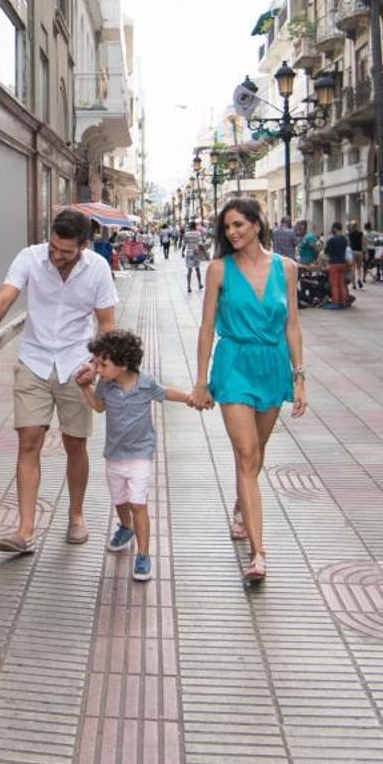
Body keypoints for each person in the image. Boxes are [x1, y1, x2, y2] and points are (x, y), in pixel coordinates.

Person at [0, 208, 119, 555]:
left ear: (83, 245)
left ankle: (76, 515)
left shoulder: (98, 270)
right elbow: (4, 298)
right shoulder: (30, 258)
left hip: (77, 364)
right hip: (33, 360)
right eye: (53, 247)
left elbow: (107, 324)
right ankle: (25, 529)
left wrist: (97, 365)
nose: (57, 256)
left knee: (75, 444)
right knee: (28, 442)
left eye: (66, 251)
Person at [190, 197, 308, 587]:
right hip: (234, 363)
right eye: (227, 228)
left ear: (258, 225)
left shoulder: (287, 268)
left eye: (239, 225)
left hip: (272, 366)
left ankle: (243, 506)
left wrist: (300, 376)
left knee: (258, 449)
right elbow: (207, 327)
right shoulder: (219, 270)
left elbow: (292, 324)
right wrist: (201, 380)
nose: (233, 233)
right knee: (246, 454)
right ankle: (259, 554)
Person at [76, 328, 190, 582]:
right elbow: (98, 407)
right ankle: (125, 527)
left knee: (138, 504)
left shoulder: (145, 382)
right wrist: (85, 388)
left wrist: (191, 398)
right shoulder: (105, 385)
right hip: (114, 455)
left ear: (123, 363)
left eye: (103, 364)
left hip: (140, 455)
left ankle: (144, 554)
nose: (99, 369)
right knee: (120, 501)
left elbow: (166, 392)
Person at [323, 222, 352, 309]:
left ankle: (335, 303)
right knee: (342, 284)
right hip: (343, 263)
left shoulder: (331, 240)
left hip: (334, 263)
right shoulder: (344, 239)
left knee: (334, 285)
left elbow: (326, 251)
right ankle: (343, 302)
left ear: (334, 228)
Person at [182, 224, 208, 293]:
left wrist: (182, 252)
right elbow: (200, 244)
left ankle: (188, 287)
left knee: (189, 270)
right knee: (197, 269)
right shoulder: (198, 234)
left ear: (190, 227)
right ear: (195, 227)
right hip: (196, 253)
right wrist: (204, 252)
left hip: (189, 253)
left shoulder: (186, 234)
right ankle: (199, 284)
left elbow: (184, 244)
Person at [347, 220, 367, 289]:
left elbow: (348, 244)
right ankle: (358, 279)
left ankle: (354, 285)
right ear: (357, 226)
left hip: (352, 251)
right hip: (360, 252)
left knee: (352, 268)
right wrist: (365, 252)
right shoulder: (361, 233)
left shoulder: (349, 234)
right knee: (359, 268)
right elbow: (363, 243)